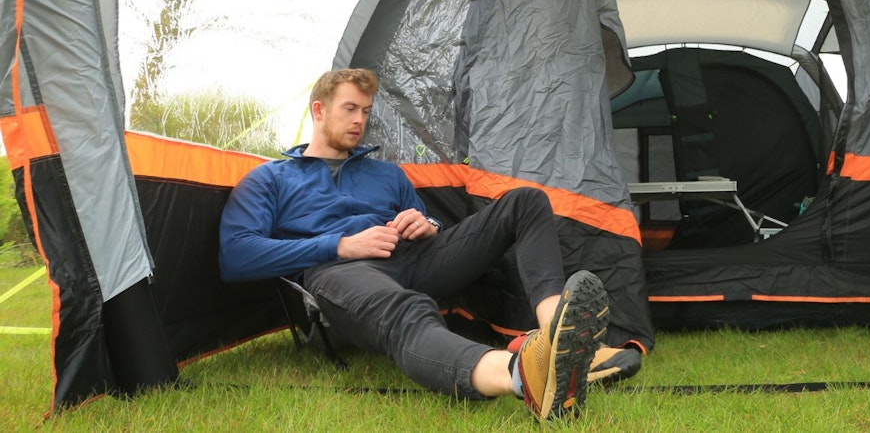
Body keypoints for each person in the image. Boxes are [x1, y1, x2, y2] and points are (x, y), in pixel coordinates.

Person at [219, 68, 615, 421]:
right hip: (340, 273)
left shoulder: (386, 175)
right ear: (319, 111)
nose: (360, 121)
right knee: (409, 310)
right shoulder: (270, 179)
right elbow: (236, 254)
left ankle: (558, 338)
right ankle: (519, 374)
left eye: (366, 112)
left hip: (413, 258)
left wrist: (427, 223)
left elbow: (429, 224)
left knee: (525, 201)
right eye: (350, 109)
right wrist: (338, 246)